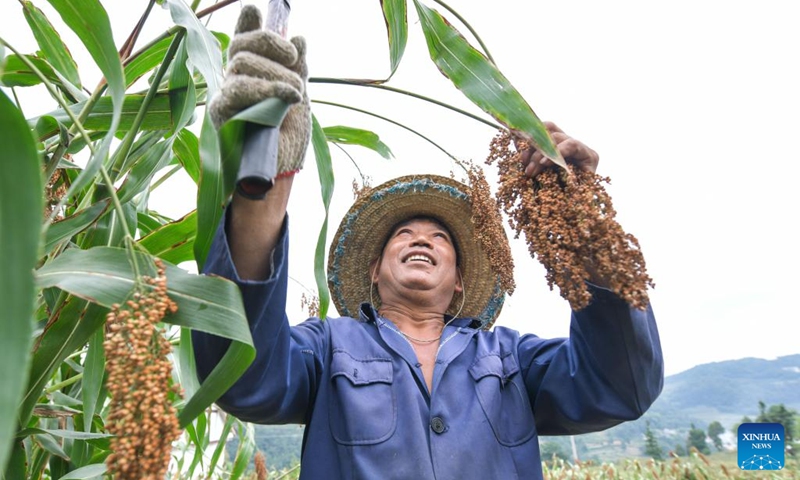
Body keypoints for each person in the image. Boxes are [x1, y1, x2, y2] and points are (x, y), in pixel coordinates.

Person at [193, 6, 664, 480]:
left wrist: (583, 221)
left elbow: (618, 387)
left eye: (441, 238)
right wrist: (268, 177)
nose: (422, 239)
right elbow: (242, 377)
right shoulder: (328, 348)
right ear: (375, 271)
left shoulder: (509, 360)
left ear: (459, 282)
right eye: (405, 234)